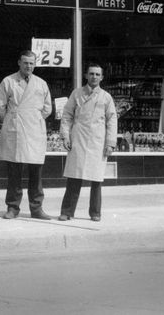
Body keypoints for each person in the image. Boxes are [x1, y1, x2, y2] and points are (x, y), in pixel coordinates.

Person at [0, 50, 53, 220]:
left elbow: (47, 108)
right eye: (26, 62)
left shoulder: (41, 83)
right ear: (19, 63)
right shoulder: (8, 81)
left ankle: (36, 208)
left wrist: (34, 118)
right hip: (16, 131)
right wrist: (14, 118)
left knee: (36, 173)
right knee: (14, 173)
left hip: (34, 131)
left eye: (32, 63)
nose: (29, 66)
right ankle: (13, 207)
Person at [57, 63, 117, 222]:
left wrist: (110, 143)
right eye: (91, 74)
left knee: (96, 179)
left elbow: (112, 120)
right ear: (86, 75)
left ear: (102, 77)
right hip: (78, 139)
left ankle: (95, 213)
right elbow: (67, 116)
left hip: (98, 142)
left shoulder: (106, 97)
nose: (94, 77)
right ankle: (67, 212)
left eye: (97, 74)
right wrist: (66, 136)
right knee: (74, 177)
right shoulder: (76, 94)